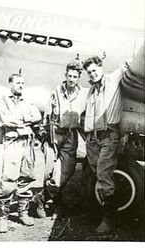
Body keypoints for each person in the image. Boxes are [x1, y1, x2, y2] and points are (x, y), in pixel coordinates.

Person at [32, 62, 87, 219]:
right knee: (49, 171)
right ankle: (56, 204)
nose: (71, 79)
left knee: (66, 171)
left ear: (78, 78)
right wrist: (44, 136)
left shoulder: (82, 93)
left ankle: (40, 198)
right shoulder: (56, 92)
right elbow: (47, 115)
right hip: (54, 134)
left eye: (75, 77)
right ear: (65, 75)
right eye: (69, 76)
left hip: (70, 136)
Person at [82, 56, 125, 233]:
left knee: (103, 174)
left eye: (94, 70)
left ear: (101, 68)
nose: (92, 74)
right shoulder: (91, 90)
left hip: (108, 136)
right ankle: (104, 211)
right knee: (98, 175)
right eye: (89, 72)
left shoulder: (112, 79)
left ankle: (109, 220)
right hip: (92, 139)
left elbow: (129, 63)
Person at [0, 73, 42, 233]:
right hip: (12, 142)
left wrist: (20, 119)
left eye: (23, 83)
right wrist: (24, 119)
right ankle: (3, 218)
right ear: (10, 84)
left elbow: (37, 116)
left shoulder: (27, 100)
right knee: (8, 181)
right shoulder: (3, 100)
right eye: (18, 83)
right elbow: (7, 120)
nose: (21, 85)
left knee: (26, 178)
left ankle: (23, 212)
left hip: (27, 142)